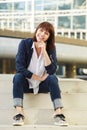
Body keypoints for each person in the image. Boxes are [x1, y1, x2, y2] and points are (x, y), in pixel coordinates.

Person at [12, 21, 68, 126]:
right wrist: (38, 77)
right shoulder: (25, 44)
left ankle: (58, 113)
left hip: (42, 86)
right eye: (41, 30)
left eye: (46, 33)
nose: (42, 34)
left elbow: (52, 70)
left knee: (53, 78)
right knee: (18, 76)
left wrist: (44, 51)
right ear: (36, 30)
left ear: (49, 37)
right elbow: (19, 67)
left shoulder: (51, 48)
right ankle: (19, 113)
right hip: (26, 84)